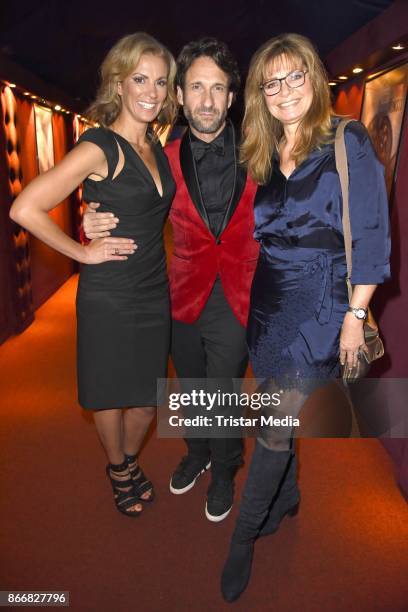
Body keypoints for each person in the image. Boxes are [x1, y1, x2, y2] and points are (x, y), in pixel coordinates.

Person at [220, 33, 390, 601]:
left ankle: (243, 536)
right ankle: (287, 496)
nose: (286, 90)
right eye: (273, 82)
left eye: (296, 77)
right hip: (270, 304)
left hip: (322, 306)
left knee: (272, 424)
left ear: (314, 80)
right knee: (269, 406)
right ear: (261, 95)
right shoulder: (263, 154)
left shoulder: (348, 140)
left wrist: (354, 315)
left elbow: (370, 235)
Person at [83, 38, 259, 522]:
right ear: (179, 96)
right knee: (188, 385)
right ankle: (197, 451)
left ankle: (224, 469)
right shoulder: (162, 154)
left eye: (218, 88)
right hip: (179, 291)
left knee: (222, 389)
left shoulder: (259, 150)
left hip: (237, 295)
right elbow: (125, 196)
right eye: (196, 87)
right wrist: (90, 215)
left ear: (231, 97)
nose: (206, 100)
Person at [9, 32, 178, 517]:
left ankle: (126, 458)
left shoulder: (154, 144)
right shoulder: (99, 146)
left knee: (147, 401)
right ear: (119, 84)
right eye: (140, 79)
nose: (151, 90)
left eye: (161, 82)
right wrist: (80, 253)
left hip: (152, 289)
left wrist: (92, 213)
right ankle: (119, 468)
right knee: (109, 394)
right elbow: (26, 207)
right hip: (110, 293)